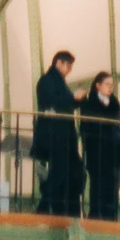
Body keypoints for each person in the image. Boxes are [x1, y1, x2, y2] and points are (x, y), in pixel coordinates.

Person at [33, 50, 82, 214]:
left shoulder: (54, 81)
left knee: (63, 172)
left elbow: (61, 103)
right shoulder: (48, 81)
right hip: (57, 135)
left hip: (60, 134)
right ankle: (46, 206)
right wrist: (73, 99)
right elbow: (53, 102)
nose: (69, 69)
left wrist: (75, 101)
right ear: (58, 63)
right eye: (67, 65)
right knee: (59, 172)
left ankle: (50, 206)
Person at [78, 71, 120, 220]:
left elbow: (117, 125)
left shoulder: (115, 103)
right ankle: (97, 217)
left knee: (114, 185)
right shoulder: (88, 103)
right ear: (98, 85)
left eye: (112, 85)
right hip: (97, 151)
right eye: (107, 84)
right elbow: (86, 126)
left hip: (113, 151)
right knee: (98, 186)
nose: (110, 87)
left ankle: (111, 217)